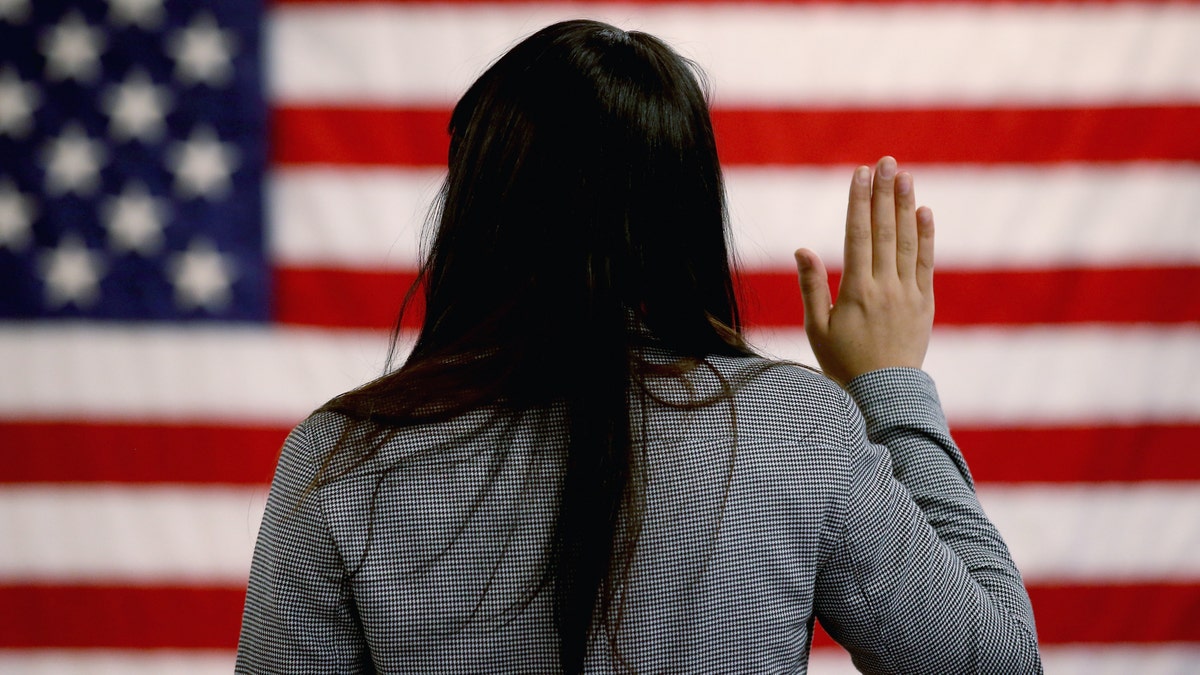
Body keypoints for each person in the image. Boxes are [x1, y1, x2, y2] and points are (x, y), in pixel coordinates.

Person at [236, 19, 1042, 674]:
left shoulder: (338, 456)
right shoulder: (797, 430)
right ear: (686, 213)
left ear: (476, 210)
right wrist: (891, 383)